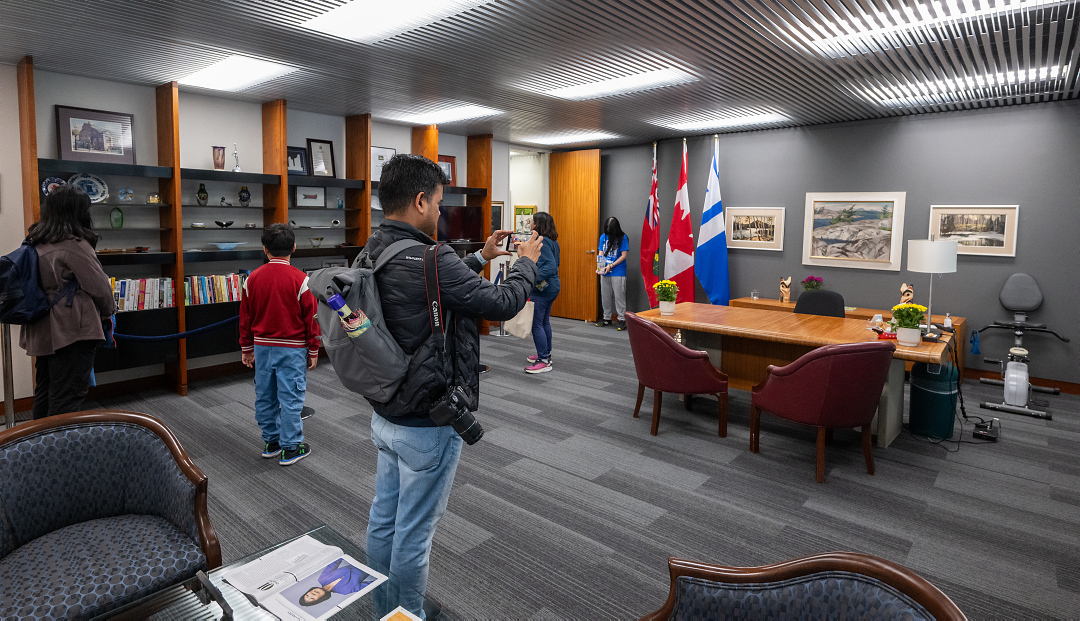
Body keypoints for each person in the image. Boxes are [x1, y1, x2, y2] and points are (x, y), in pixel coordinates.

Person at [363, 154, 542, 618]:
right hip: (428, 420)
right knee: (414, 534)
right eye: (439, 204)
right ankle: (406, 615)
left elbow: (430, 283)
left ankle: (384, 608)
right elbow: (502, 302)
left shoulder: (373, 249)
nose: (441, 213)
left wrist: (480, 256)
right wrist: (524, 264)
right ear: (421, 201)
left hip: (386, 413)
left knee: (384, 519)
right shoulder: (431, 256)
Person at [20, 184, 116, 418]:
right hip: (72, 329)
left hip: (41, 327)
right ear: (78, 211)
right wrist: (109, 311)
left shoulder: (35, 240)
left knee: (45, 390)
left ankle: (39, 447)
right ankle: (60, 450)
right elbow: (100, 287)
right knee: (67, 397)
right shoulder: (73, 244)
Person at [239, 223, 321, 466]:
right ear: (293, 248)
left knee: (265, 395)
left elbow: (245, 318)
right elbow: (312, 319)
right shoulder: (302, 280)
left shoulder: (251, 279)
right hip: (293, 349)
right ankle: (291, 447)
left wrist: (246, 348)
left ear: (265, 249)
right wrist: (314, 349)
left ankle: (271, 441)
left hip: (262, 348)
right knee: (291, 398)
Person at [525, 212, 560, 373]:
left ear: (537, 224)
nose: (530, 223)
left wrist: (533, 277)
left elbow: (550, 266)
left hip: (542, 289)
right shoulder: (553, 241)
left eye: (532, 221)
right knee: (544, 321)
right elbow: (556, 264)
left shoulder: (543, 242)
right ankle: (546, 353)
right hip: (552, 286)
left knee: (536, 324)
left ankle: (543, 360)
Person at [298, 558, 377, 607]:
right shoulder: (344, 591)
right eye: (312, 598)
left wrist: (342, 555)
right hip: (372, 566)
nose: (312, 594)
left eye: (307, 595)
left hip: (357, 557)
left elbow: (333, 564)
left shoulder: (322, 579)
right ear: (319, 599)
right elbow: (370, 584)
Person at [596, 216, 629, 330]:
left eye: (610, 227)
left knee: (619, 296)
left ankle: (621, 319)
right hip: (605, 271)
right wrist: (600, 267)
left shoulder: (622, 238)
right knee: (605, 296)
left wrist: (611, 266)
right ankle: (607, 318)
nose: (608, 229)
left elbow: (624, 255)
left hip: (618, 271)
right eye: (606, 227)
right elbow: (601, 252)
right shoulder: (603, 237)